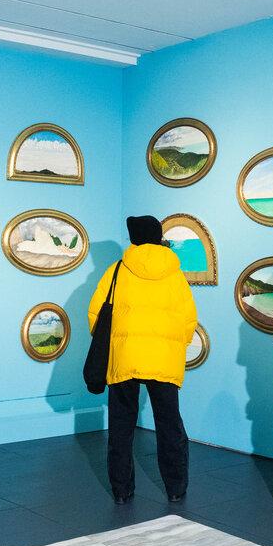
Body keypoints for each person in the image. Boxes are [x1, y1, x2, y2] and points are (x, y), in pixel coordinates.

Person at [88, 215, 197, 504]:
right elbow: (189, 320)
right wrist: (175, 347)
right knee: (170, 425)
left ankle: (122, 492)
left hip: (125, 358)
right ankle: (176, 489)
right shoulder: (175, 274)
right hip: (164, 360)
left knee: (121, 427)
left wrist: (115, 344)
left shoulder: (116, 271)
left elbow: (96, 315)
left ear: (133, 237)